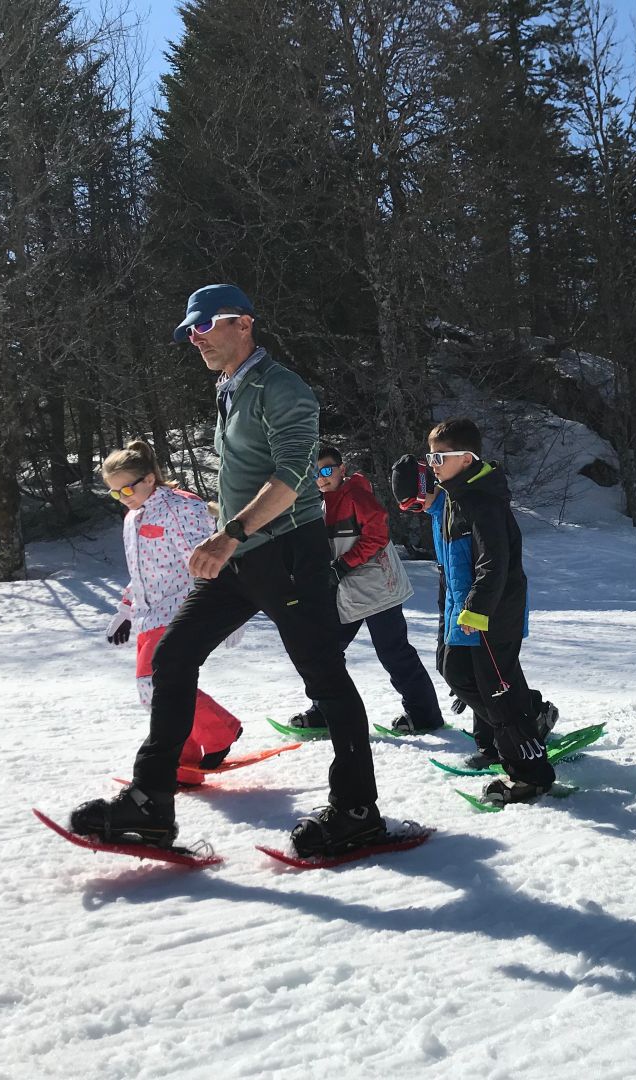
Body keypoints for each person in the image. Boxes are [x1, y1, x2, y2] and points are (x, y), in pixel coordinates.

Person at [71, 284, 385, 856]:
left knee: (324, 677)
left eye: (205, 327)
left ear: (243, 323)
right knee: (172, 656)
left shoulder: (283, 389)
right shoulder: (229, 387)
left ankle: (357, 809)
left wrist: (228, 533)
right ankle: (150, 803)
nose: (196, 340)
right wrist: (229, 534)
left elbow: (292, 479)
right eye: (189, 332)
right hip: (243, 557)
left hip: (288, 552)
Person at [412, 419, 557, 805]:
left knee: (498, 694)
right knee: (455, 671)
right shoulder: (456, 495)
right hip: (467, 610)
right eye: (430, 456)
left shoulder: (482, 500)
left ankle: (530, 775)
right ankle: (528, 719)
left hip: (491, 615)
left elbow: (495, 563)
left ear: (467, 458)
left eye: (439, 457)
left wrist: (476, 611)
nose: (433, 464)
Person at [99, 440, 243, 786]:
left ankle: (222, 731)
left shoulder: (181, 507)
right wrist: (126, 608)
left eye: (127, 489)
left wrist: (228, 610)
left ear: (149, 479)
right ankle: (185, 760)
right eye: (115, 493)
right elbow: (142, 572)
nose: (123, 497)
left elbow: (209, 559)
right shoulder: (133, 516)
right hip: (149, 616)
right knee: (157, 691)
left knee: (157, 686)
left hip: (181, 609)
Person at [287, 444, 443, 734]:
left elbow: (377, 535)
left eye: (326, 470)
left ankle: (424, 715)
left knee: (393, 652)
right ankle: (325, 710)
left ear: (341, 469)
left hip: (378, 589)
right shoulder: (320, 503)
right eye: (315, 473)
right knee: (325, 650)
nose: (321, 478)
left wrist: (343, 566)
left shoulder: (357, 495)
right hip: (349, 592)